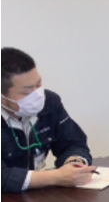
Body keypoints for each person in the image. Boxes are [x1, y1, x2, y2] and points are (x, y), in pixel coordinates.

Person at [1, 47, 95, 193]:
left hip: (33, 195)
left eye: (38, 85)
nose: (37, 95)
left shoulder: (49, 102)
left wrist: (74, 162)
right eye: (26, 91)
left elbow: (73, 142)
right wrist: (55, 177)